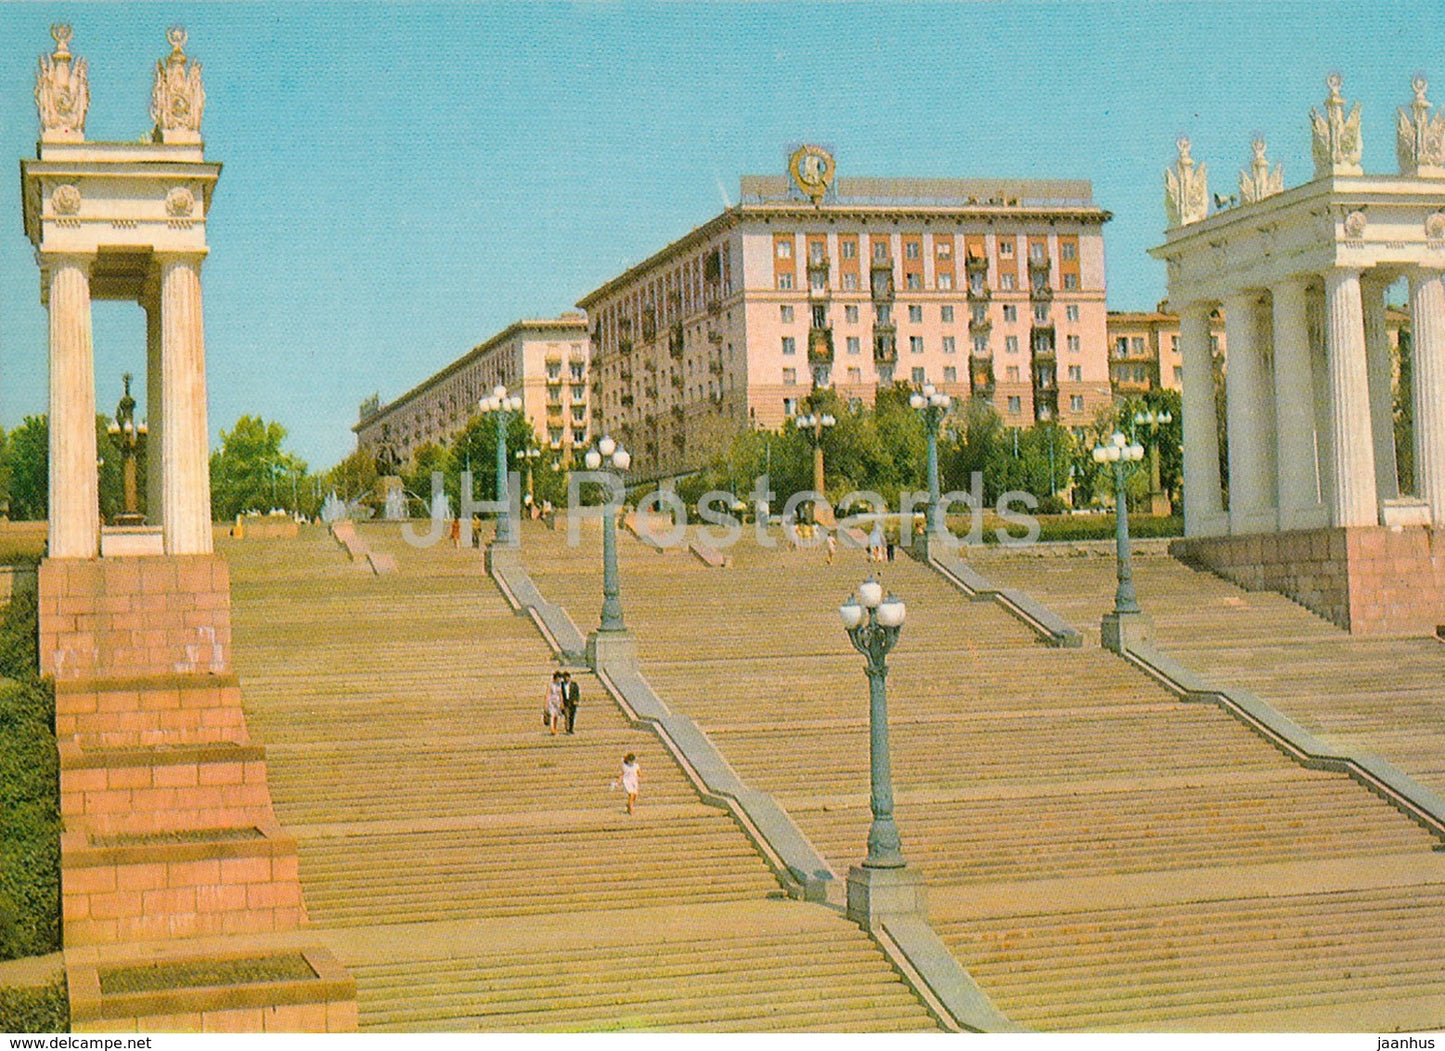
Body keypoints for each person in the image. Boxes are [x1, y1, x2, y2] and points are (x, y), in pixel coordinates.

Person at [544, 671, 563, 735]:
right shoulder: (550, 684)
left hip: (557, 701)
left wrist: (561, 702)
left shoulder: (559, 684)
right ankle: (552, 729)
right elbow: (548, 693)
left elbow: (560, 693)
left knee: (556, 715)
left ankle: (555, 727)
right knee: (552, 715)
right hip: (551, 701)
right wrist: (546, 703)